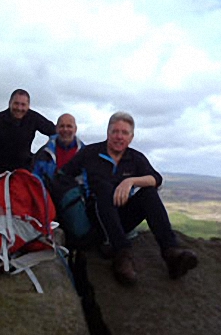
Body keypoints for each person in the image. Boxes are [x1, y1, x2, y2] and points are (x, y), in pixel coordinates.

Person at [60, 111, 198, 286]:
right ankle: (121, 255)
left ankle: (171, 253)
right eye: (115, 131)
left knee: (148, 193)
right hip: (94, 220)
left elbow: (156, 179)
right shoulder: (90, 153)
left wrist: (130, 181)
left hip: (121, 218)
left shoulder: (135, 158)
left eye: (124, 133)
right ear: (108, 133)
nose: (119, 137)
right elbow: (63, 175)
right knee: (104, 188)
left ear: (131, 137)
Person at [0, 89, 56, 177]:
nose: (19, 108)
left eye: (23, 105)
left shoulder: (33, 118)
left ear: (28, 106)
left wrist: (44, 154)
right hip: (0, 171)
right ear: (10, 103)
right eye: (16, 103)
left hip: (25, 170)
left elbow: (55, 131)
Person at [32, 113, 85, 185]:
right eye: (62, 126)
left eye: (69, 126)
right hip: (48, 195)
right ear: (56, 128)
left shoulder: (85, 154)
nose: (65, 129)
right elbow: (35, 180)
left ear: (75, 129)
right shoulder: (44, 153)